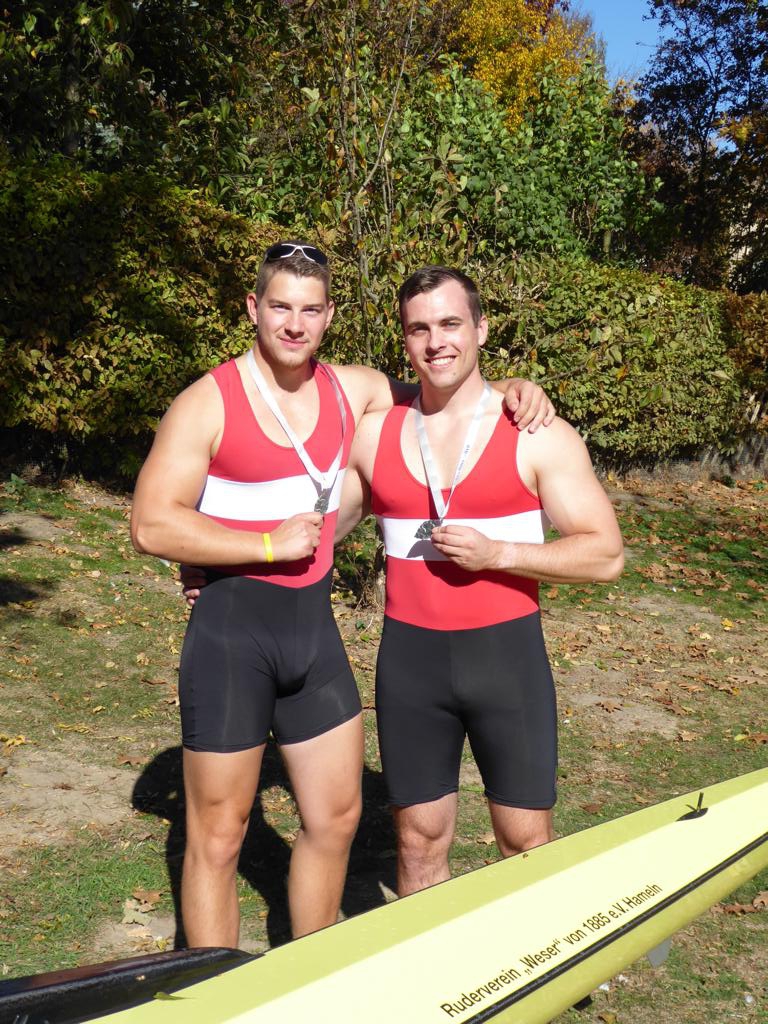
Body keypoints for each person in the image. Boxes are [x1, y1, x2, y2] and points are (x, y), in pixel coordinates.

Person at [130, 241, 554, 948]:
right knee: (220, 834)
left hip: (313, 642)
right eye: (279, 308)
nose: (294, 325)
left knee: (335, 821)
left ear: (329, 316)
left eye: (310, 310)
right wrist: (262, 547)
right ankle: (211, 986)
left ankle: (311, 970)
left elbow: (446, 387)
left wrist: (516, 386)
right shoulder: (208, 401)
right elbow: (150, 523)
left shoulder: (355, 391)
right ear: (253, 309)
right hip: (233, 638)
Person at [338, 265, 624, 897]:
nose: (436, 341)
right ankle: (428, 960)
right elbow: (322, 531)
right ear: (404, 340)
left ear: (481, 329)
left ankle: (538, 955)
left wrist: (499, 554)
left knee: (525, 843)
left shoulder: (535, 431)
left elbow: (605, 554)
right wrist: (226, 563)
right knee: (418, 842)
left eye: (450, 323)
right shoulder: (375, 434)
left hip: (505, 659)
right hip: (410, 663)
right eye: (419, 328)